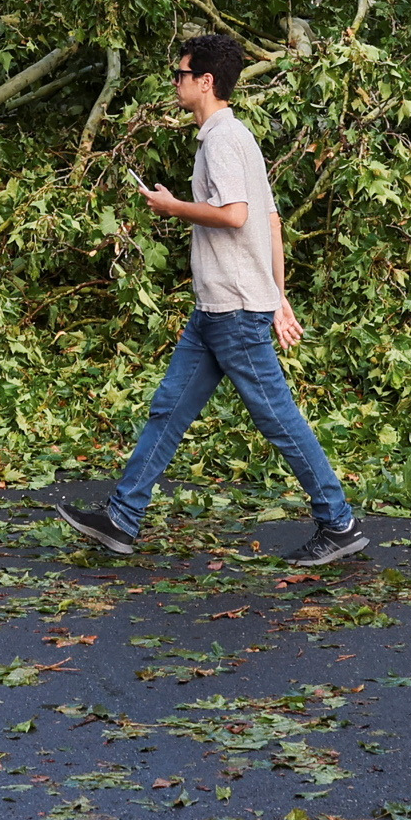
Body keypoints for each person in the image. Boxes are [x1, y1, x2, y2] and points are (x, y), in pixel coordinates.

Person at [52, 33, 369, 565]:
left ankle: (338, 523)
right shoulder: (238, 136)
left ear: (205, 81)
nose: (175, 83)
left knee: (279, 420)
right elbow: (271, 221)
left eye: (180, 75)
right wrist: (279, 295)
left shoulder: (222, 139)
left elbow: (238, 215)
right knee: (167, 410)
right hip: (219, 310)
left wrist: (174, 207)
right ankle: (121, 519)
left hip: (235, 314)